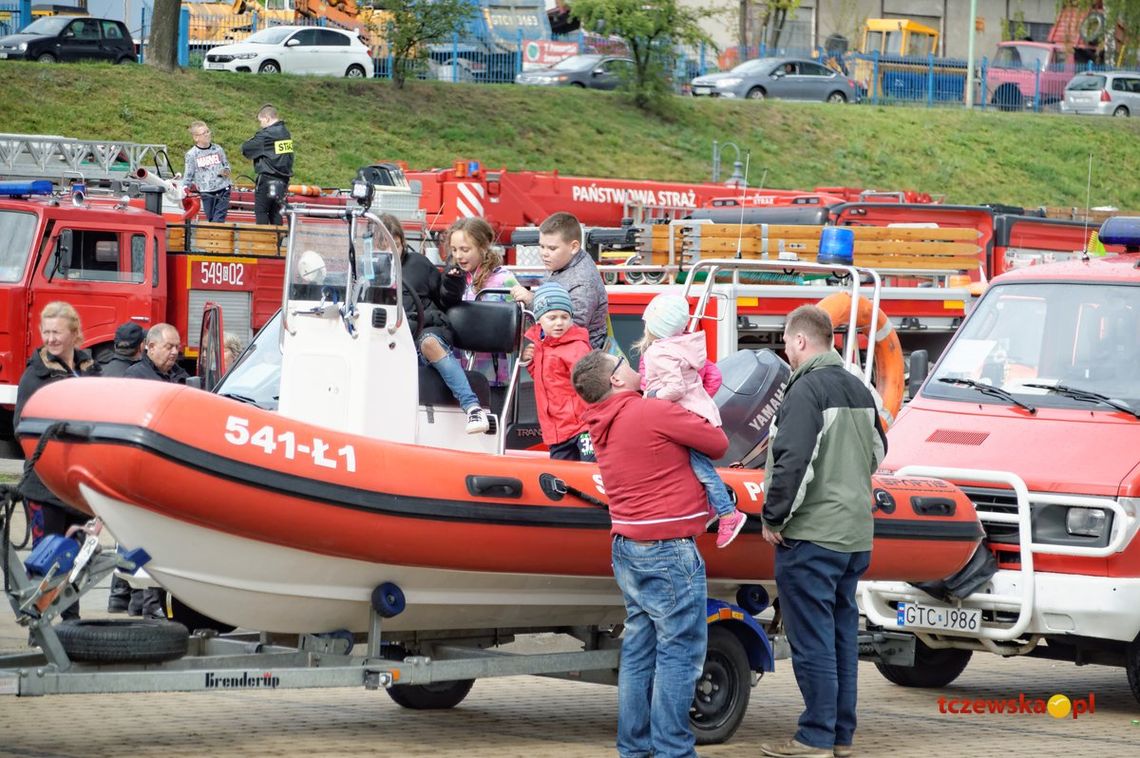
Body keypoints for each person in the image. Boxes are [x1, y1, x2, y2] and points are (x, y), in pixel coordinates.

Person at [572, 349, 729, 758]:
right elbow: (717, 442)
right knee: (680, 653)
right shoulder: (650, 412)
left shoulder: (601, 422)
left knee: (640, 651)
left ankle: (634, 748)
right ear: (616, 381)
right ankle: (673, 750)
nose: (634, 366)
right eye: (624, 364)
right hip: (668, 548)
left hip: (628, 546)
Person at [758, 305, 887, 758]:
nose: (785, 353)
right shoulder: (859, 388)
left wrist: (774, 517)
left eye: (785, 343)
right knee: (839, 638)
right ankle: (840, 736)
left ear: (799, 342)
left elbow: (794, 461)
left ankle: (814, 736)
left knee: (812, 641)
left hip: (812, 536)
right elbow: (878, 452)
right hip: (855, 535)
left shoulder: (805, 390)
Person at [14, 301, 102, 623]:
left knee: (76, 558)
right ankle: (39, 624)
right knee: (47, 558)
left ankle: (71, 621)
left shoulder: (91, 369)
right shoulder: (34, 377)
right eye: (46, 332)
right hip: (45, 486)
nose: (50, 339)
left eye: (57, 333)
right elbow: (21, 429)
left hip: (77, 487)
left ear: (74, 334)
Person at [637, 293, 746, 549]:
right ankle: (709, 506)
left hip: (687, 419)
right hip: (699, 413)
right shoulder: (684, 347)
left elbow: (674, 388)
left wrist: (652, 397)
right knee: (689, 465)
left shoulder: (658, 353)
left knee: (701, 469)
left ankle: (728, 513)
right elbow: (709, 377)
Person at [382, 213, 490, 434]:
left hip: (426, 327)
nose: (391, 252)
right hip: (388, 335)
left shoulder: (419, 265)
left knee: (429, 342)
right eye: (383, 247)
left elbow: (445, 299)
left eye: (397, 246)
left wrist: (452, 281)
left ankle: (472, 407)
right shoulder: (366, 273)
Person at [98, 321, 146, 613]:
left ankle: (118, 594)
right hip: (125, 462)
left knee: (121, 529)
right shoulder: (136, 377)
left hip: (103, 459)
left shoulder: (101, 372)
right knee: (133, 530)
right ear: (141, 347)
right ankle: (126, 591)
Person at [511, 212, 610, 351]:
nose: (544, 253)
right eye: (542, 246)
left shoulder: (582, 283)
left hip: (580, 362)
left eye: (552, 248)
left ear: (574, 247)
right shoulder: (560, 261)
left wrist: (531, 300)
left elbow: (570, 328)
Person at [521, 282, 593, 460]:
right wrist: (530, 362)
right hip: (557, 429)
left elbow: (591, 386)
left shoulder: (577, 347)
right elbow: (545, 380)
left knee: (590, 474)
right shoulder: (541, 345)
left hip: (583, 427)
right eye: (552, 318)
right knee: (561, 481)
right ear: (539, 320)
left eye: (565, 317)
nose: (559, 323)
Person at [447, 217, 518, 390]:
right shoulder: (453, 277)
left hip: (490, 373)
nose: (458, 256)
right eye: (454, 249)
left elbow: (520, 319)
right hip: (457, 364)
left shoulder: (503, 279)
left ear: (483, 247)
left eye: (465, 249)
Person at [241, 104, 293, 225]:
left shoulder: (266, 135)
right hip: (283, 179)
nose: (261, 125)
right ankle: (277, 242)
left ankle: (264, 241)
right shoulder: (285, 133)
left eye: (261, 121)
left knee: (261, 211)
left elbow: (246, 148)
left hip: (268, 178)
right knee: (276, 212)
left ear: (267, 118)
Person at [183, 120, 232, 223]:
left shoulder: (218, 149)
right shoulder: (192, 155)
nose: (207, 135)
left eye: (208, 131)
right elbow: (188, 174)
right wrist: (184, 189)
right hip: (207, 192)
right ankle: (214, 237)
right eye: (204, 133)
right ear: (196, 137)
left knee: (218, 219)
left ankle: (216, 236)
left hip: (223, 188)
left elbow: (226, 164)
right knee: (211, 218)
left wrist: (226, 171)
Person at [125, 323, 189, 384]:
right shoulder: (135, 375)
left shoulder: (181, 374)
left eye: (177, 347)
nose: (175, 352)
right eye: (169, 347)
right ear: (152, 347)